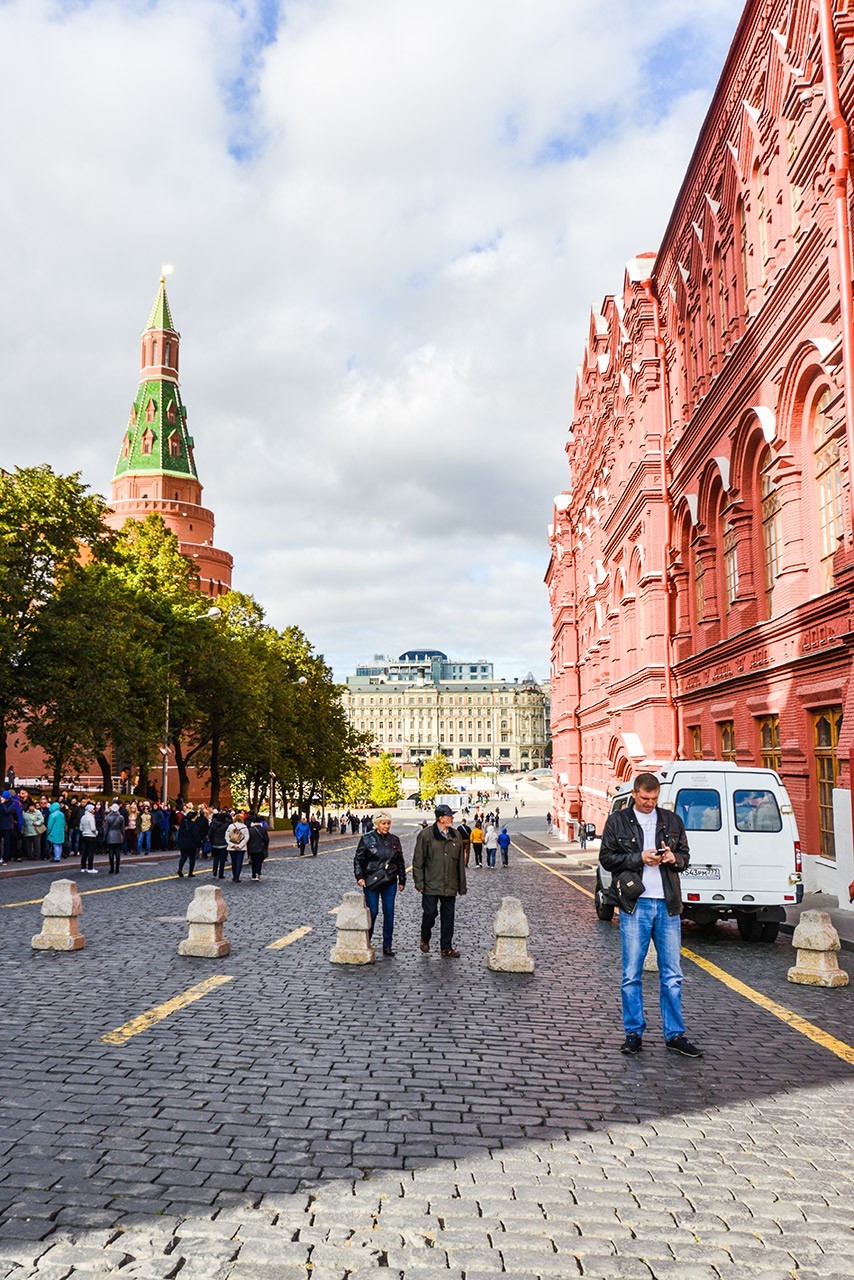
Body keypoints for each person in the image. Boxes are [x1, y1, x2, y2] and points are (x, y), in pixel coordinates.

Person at [599, 771, 701, 1058]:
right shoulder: (618, 820)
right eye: (644, 798)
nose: (649, 803)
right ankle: (634, 1033)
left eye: (654, 799)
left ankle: (675, 1035)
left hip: (667, 904)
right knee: (631, 974)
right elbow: (606, 859)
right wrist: (639, 858)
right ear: (634, 794)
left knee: (673, 975)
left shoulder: (671, 821)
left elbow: (685, 857)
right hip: (635, 904)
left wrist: (673, 858)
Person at [413, 804, 467, 958]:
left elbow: (460, 865)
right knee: (430, 913)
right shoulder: (426, 835)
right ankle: (425, 937)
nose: (452, 818)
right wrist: (419, 883)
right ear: (440, 818)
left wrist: (461, 886)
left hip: (450, 883)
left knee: (448, 917)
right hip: (431, 883)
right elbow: (418, 860)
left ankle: (446, 947)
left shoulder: (456, 835)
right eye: (449, 815)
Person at [354, 811, 406, 957]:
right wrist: (360, 877)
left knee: (389, 911)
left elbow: (400, 861)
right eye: (383, 823)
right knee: (373, 912)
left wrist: (402, 880)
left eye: (388, 823)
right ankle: (366, 941)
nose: (386, 826)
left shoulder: (395, 840)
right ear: (376, 824)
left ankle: (387, 945)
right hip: (372, 880)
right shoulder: (366, 839)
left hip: (389, 880)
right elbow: (358, 859)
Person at [176, 807, 201, 878]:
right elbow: (195, 835)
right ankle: (190, 872)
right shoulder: (193, 824)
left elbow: (179, 834)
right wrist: (199, 843)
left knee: (183, 857)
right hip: (191, 844)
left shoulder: (182, 823)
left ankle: (180, 868)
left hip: (182, 843)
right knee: (192, 858)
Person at [103, 803, 126, 874]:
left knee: (111, 852)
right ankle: (117, 869)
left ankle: (111, 868)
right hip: (118, 835)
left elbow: (105, 829)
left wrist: (104, 837)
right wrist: (123, 836)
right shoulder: (121, 817)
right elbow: (122, 829)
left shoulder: (108, 817)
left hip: (110, 835)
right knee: (118, 853)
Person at [226, 812, 249, 882]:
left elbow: (227, 837)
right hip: (241, 848)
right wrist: (240, 846)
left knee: (233, 862)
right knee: (239, 862)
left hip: (232, 847)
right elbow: (246, 838)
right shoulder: (244, 827)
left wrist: (232, 845)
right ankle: (237, 877)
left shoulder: (230, 826)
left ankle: (234, 876)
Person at [209, 808, 231, 879]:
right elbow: (231, 820)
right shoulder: (225, 825)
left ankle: (214, 870)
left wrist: (212, 841)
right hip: (223, 843)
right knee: (222, 860)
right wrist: (227, 814)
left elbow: (210, 834)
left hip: (215, 843)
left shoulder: (213, 824)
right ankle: (221, 874)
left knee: (216, 858)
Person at [247, 814, 269, 881]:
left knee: (253, 862)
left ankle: (253, 874)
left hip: (252, 848)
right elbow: (266, 839)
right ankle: (258, 874)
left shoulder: (250, 830)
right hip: (261, 847)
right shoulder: (263, 830)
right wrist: (266, 846)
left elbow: (248, 839)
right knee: (259, 862)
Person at [79, 803, 99, 874]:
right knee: (91, 852)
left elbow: (80, 828)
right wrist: (96, 832)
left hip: (84, 835)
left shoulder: (83, 817)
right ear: (90, 810)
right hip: (91, 836)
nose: (94, 810)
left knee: (84, 852)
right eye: (93, 809)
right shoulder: (91, 817)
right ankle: (90, 867)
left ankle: (83, 867)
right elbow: (93, 828)